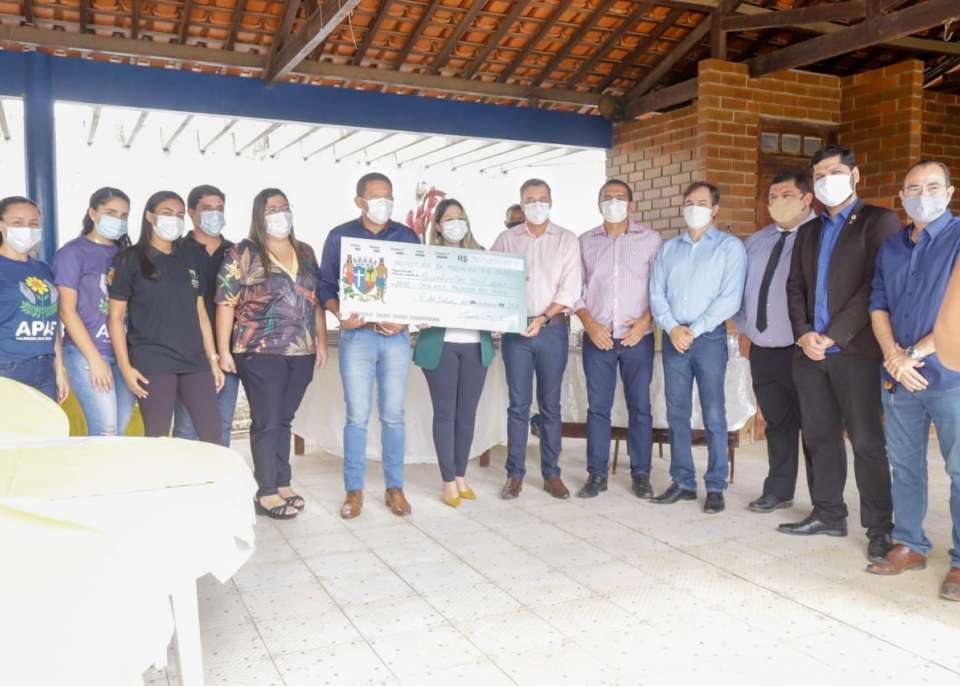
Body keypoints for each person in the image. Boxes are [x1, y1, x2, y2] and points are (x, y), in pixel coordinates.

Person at [782, 144, 900, 563]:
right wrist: (803, 334)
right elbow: (794, 286)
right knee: (819, 438)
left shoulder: (879, 221)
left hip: (856, 352)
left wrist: (832, 335)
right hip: (810, 354)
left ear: (855, 175)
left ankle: (880, 528)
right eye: (819, 175)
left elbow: (874, 286)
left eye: (834, 172)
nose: (826, 181)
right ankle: (828, 513)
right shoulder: (809, 230)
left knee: (867, 443)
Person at [866, 160, 960, 601]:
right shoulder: (892, 246)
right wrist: (892, 356)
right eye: (914, 188)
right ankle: (910, 544)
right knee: (904, 464)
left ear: (950, 192)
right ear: (901, 195)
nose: (923, 195)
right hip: (899, 376)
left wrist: (913, 355)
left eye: (933, 186)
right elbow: (878, 303)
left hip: (950, 373)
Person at [217, 188, 326, 520]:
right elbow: (225, 303)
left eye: (284, 207)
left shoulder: (305, 251)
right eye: (272, 209)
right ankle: (265, 491)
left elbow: (316, 301)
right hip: (258, 349)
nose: (280, 213)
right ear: (259, 215)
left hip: (301, 350)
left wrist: (321, 341)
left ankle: (283, 482)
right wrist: (223, 351)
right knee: (267, 419)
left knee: (284, 419)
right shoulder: (243, 252)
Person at [317, 172, 420, 519]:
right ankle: (354, 490)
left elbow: (417, 286)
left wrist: (405, 320)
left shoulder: (406, 236)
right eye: (376, 197)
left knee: (393, 415)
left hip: (395, 337)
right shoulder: (340, 236)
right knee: (357, 416)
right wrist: (339, 314)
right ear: (359, 201)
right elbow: (325, 286)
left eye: (388, 196)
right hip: (357, 336)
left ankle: (395, 488)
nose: (383, 203)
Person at [650, 181, 746, 514]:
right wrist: (673, 327)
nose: (694, 208)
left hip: (708, 339)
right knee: (677, 412)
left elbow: (730, 298)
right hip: (674, 337)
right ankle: (683, 482)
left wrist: (694, 329)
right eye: (689, 202)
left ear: (715, 209)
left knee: (714, 413)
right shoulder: (668, 249)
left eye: (702, 203)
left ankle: (716, 485)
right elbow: (656, 293)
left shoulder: (729, 248)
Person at [107, 190, 224, 442]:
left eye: (180, 215)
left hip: (194, 359)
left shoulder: (192, 255)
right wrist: (126, 367)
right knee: (158, 435)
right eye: (167, 213)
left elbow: (200, 312)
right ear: (150, 216)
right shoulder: (129, 259)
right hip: (153, 360)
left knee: (213, 433)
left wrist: (213, 359)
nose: (174, 219)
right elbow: (115, 318)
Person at [492, 178, 582, 500]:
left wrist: (543, 318)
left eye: (542, 198)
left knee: (550, 405)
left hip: (552, 330)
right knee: (518, 406)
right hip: (516, 333)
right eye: (530, 200)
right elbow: (493, 280)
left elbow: (570, 289)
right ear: (521, 203)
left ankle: (551, 474)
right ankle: (514, 474)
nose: (536, 204)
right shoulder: (506, 240)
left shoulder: (567, 240)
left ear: (551, 202)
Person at [732, 171, 816, 513]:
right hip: (764, 350)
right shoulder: (757, 241)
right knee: (777, 423)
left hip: (806, 351)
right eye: (772, 197)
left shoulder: (820, 236)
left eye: (786, 195)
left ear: (806, 199)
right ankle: (778, 491)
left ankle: (825, 504)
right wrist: (746, 329)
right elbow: (741, 290)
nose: (777, 202)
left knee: (816, 428)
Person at [574, 179, 660, 499]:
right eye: (607, 197)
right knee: (598, 409)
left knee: (640, 408)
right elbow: (575, 290)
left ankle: (641, 474)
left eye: (620, 197)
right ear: (598, 204)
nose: (614, 202)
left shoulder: (650, 240)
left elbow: (660, 288)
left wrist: (646, 321)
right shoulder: (585, 242)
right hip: (598, 339)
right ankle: (596, 474)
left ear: (631, 205)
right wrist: (589, 324)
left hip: (638, 337)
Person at [413, 199, 493, 508]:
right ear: (437, 226)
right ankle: (447, 480)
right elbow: (414, 297)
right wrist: (416, 313)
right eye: (449, 219)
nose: (456, 223)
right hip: (441, 345)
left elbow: (495, 295)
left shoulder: (482, 257)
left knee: (467, 414)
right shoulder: (426, 259)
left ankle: (460, 474)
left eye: (461, 217)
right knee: (445, 413)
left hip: (475, 345)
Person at [54, 187, 136, 436]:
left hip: (124, 355)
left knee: (118, 431)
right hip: (87, 354)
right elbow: (66, 311)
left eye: (123, 215)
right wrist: (94, 359)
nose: (118, 220)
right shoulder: (73, 253)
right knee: (105, 431)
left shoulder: (127, 255)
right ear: (92, 213)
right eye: (111, 213)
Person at [173, 185, 238, 447]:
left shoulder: (236, 253)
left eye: (219, 208)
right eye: (207, 208)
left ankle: (220, 473)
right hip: (187, 351)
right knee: (186, 427)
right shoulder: (176, 250)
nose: (215, 214)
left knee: (222, 424)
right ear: (191, 212)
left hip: (226, 351)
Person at [0, 196, 68, 402]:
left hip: (45, 368)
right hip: (8, 368)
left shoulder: (43, 269)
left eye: (33, 223)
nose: (27, 229)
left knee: (48, 423)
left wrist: (59, 370)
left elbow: (52, 321)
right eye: (17, 223)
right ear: (1, 225)